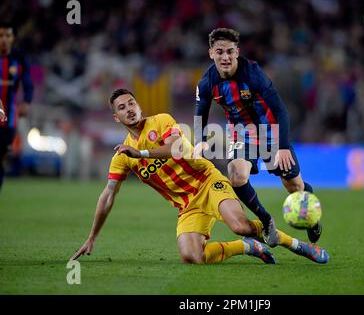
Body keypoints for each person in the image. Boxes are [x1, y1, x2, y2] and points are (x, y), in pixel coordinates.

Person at [71, 89, 329, 265]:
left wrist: (140, 152)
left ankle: (296, 245)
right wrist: (92, 236)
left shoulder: (160, 121)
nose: (129, 109)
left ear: (139, 105)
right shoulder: (123, 155)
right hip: (187, 205)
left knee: (240, 225)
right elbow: (108, 195)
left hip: (208, 182)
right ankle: (248, 247)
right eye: (122, 108)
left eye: (131, 103)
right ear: (116, 117)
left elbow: (175, 149)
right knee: (193, 256)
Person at [195, 28, 322, 247]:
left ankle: (311, 215)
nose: (225, 57)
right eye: (219, 52)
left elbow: (280, 110)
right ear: (210, 53)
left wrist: (282, 147)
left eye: (229, 52)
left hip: (270, 131)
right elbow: (201, 112)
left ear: (237, 52)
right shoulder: (207, 82)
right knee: (236, 175)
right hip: (241, 133)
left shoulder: (253, 74)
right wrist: (200, 140)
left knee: (295, 187)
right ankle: (266, 220)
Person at [0, 21, 33, 192]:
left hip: (8, 115)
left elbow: (28, 83)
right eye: (1, 36)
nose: (4, 40)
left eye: (7, 36)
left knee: (2, 154)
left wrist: (26, 102)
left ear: (13, 38)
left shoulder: (18, 59)